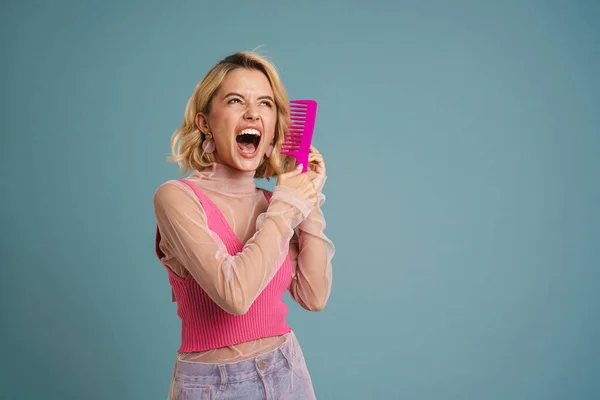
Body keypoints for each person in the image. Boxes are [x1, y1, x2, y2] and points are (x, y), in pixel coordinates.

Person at [153, 51, 334, 399]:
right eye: (236, 100)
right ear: (205, 122)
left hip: (287, 371)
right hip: (212, 385)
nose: (252, 112)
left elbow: (314, 296)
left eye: (265, 103)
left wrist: (306, 199)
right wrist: (288, 205)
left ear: (273, 129)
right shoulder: (176, 198)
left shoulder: (274, 203)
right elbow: (233, 295)